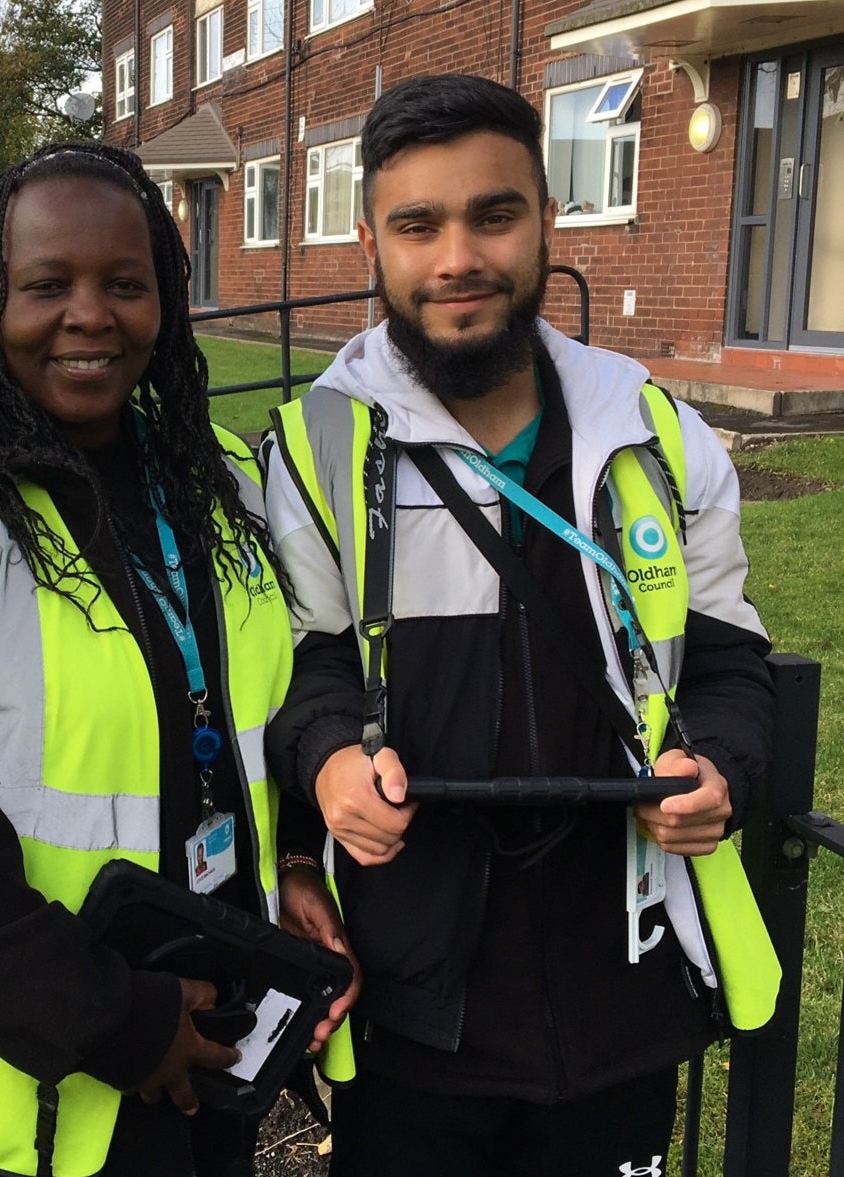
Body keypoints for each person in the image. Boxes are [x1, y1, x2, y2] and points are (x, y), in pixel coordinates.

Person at [263, 72, 780, 1176]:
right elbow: (304, 678)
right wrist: (323, 765)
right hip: (414, 1006)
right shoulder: (310, 454)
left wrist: (722, 766)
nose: (459, 258)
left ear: (547, 220)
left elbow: (734, 666)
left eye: (495, 215)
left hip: (626, 983)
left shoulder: (660, 435)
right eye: (419, 225)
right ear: (371, 243)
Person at [0, 141, 355, 1177]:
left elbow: (265, 715)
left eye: (126, 284)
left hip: (204, 1049)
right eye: (47, 284)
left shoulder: (224, 487)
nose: (90, 315)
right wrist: (117, 1021)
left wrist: (292, 863)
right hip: (16, 1111)